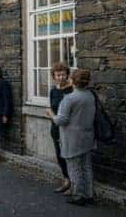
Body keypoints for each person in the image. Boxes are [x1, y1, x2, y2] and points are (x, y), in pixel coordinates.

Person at [48, 69, 96, 206]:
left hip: (72, 138)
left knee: (74, 168)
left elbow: (60, 121)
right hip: (87, 136)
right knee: (86, 167)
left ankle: (79, 195)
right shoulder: (90, 95)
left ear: (72, 81)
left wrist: (51, 114)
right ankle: (89, 195)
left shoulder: (69, 98)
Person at [46, 62, 73, 193]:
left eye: (63, 75)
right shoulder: (53, 90)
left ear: (67, 74)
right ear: (54, 76)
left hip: (68, 128)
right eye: (58, 75)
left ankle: (74, 182)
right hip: (55, 128)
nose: (61, 77)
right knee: (60, 155)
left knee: (70, 156)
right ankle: (66, 179)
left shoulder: (72, 90)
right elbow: (51, 106)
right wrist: (51, 114)